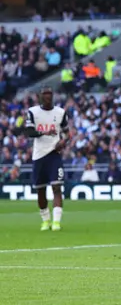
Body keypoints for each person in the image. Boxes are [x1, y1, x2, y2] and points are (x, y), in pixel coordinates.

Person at [23, 87, 70, 231]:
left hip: (54, 154)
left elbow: (67, 133)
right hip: (39, 155)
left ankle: (56, 222)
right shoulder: (33, 112)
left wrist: (64, 141)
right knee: (40, 191)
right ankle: (45, 220)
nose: (48, 96)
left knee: (57, 187)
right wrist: (44, 131)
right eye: (45, 94)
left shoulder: (60, 113)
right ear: (40, 96)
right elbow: (29, 132)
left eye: (50, 93)